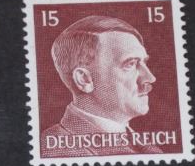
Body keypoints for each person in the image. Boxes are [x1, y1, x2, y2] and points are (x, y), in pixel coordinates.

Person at [44, 14, 156, 150]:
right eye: (130, 64)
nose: (150, 78)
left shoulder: (148, 148)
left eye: (144, 63)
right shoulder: (55, 151)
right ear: (84, 80)